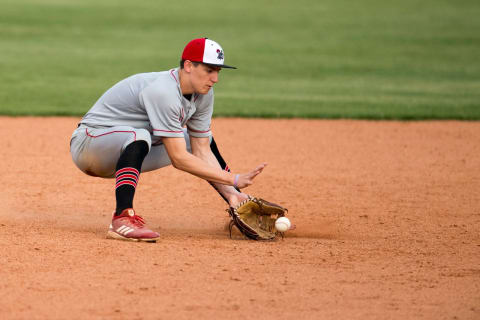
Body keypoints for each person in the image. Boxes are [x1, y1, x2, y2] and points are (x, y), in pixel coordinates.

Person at [70, 38, 267, 242]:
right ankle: (122, 218)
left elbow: (201, 150)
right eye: (209, 70)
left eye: (218, 71)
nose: (215, 78)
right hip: (90, 144)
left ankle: (238, 201)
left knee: (199, 140)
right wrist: (232, 178)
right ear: (189, 65)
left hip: (127, 151)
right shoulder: (163, 91)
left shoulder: (204, 95)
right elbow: (179, 158)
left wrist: (233, 193)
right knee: (140, 135)